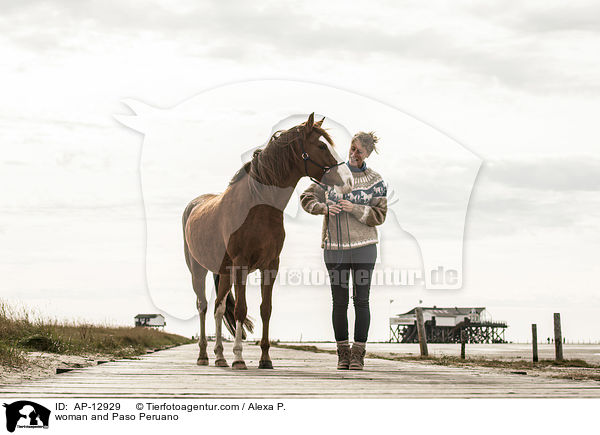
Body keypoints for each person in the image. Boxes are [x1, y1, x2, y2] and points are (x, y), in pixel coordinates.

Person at [300, 131, 387, 370]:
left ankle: (358, 354)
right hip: (334, 249)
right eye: (352, 148)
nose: (354, 153)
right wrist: (323, 207)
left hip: (364, 249)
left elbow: (380, 215)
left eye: (360, 150)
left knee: (361, 301)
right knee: (339, 303)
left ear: (368, 153)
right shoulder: (331, 174)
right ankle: (342, 354)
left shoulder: (376, 181)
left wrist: (356, 209)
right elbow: (306, 197)